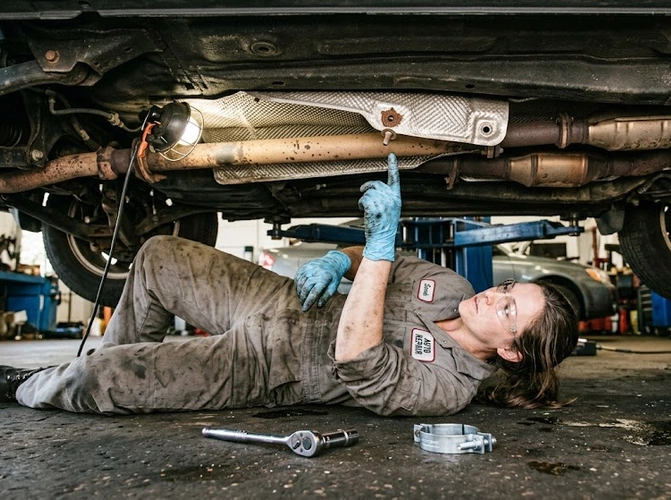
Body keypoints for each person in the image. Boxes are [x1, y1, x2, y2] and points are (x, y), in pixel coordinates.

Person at [1, 153, 578, 416]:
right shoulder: (451, 285)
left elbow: (358, 360)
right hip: (278, 297)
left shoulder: (447, 391)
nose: (493, 296)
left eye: (508, 311)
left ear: (510, 348)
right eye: (507, 290)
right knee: (156, 256)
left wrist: (379, 250)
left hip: (266, 363)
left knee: (97, 379)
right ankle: (115, 372)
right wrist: (336, 258)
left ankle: (33, 386)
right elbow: (377, 262)